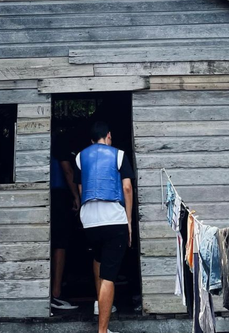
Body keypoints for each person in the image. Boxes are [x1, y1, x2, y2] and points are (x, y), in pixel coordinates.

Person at [73, 121, 134, 333]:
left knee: (98, 260)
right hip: (113, 219)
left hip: (89, 221)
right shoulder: (118, 155)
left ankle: (100, 306)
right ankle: (102, 331)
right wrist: (129, 223)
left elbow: (81, 189)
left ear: (91, 140)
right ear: (108, 136)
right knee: (109, 276)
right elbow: (126, 187)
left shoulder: (80, 157)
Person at [50, 136, 81, 311]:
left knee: (57, 242)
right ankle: (56, 294)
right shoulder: (61, 143)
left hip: (55, 195)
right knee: (60, 244)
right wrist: (77, 196)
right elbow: (67, 170)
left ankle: (55, 291)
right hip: (59, 195)